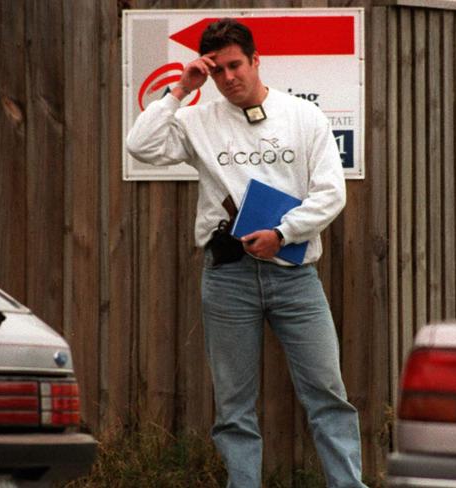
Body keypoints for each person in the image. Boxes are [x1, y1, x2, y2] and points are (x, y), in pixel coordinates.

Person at [126, 18, 366, 488]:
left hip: (295, 276)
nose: (229, 77)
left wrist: (283, 231)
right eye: (217, 71)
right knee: (234, 405)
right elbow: (140, 145)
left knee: (328, 394)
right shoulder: (197, 120)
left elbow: (331, 193)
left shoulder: (304, 116)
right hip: (228, 276)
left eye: (236, 65)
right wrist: (179, 90)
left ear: (256, 61)